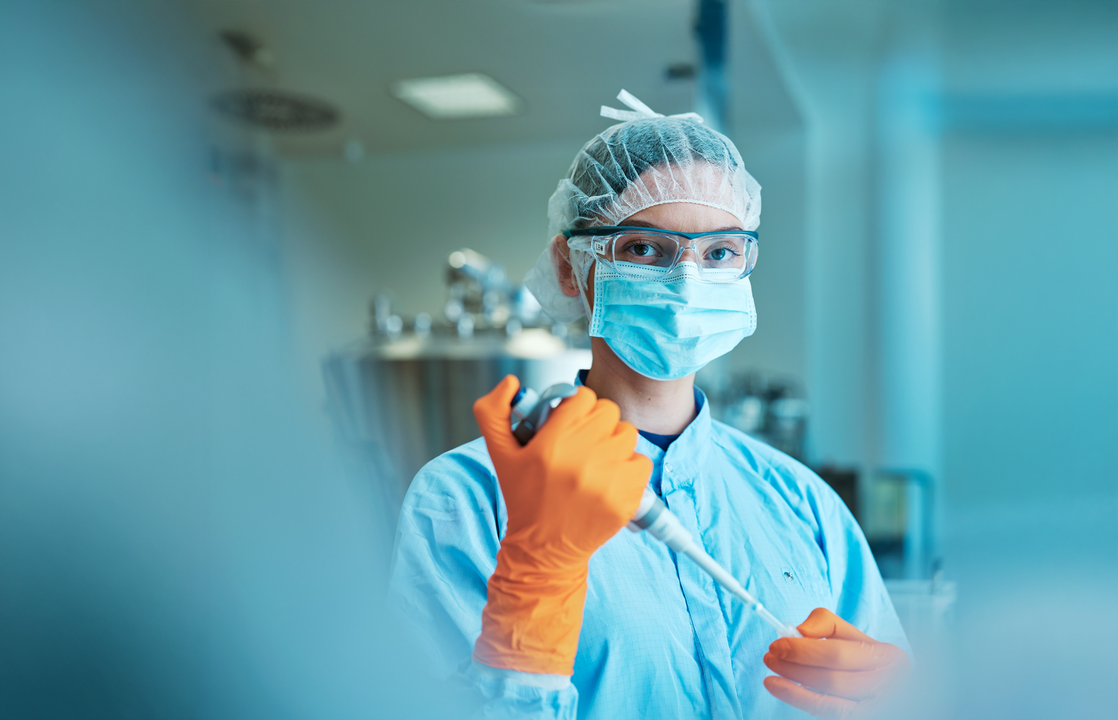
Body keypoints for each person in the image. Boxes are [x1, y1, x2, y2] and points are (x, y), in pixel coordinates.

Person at [388, 91, 910, 719]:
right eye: (644, 248)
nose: (688, 280)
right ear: (568, 267)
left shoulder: (801, 502)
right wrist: (530, 619)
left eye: (719, 252)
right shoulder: (468, 500)